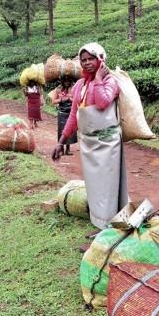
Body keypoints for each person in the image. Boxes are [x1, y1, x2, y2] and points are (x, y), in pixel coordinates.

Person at [51, 43, 128, 251]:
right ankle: (102, 228)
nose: (86, 63)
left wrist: (97, 80)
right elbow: (74, 116)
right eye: (83, 59)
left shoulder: (109, 81)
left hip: (107, 144)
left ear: (101, 59)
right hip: (90, 145)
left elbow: (103, 103)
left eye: (91, 58)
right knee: (95, 190)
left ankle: (108, 236)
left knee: (108, 190)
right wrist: (61, 141)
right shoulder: (79, 86)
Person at [51, 76, 77, 156]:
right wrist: (62, 99)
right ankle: (61, 149)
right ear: (62, 81)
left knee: (70, 131)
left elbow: (77, 99)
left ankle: (68, 149)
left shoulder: (74, 88)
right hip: (62, 113)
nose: (66, 82)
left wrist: (71, 99)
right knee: (61, 130)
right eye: (65, 81)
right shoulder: (58, 89)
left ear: (70, 81)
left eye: (68, 81)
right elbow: (53, 101)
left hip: (71, 112)